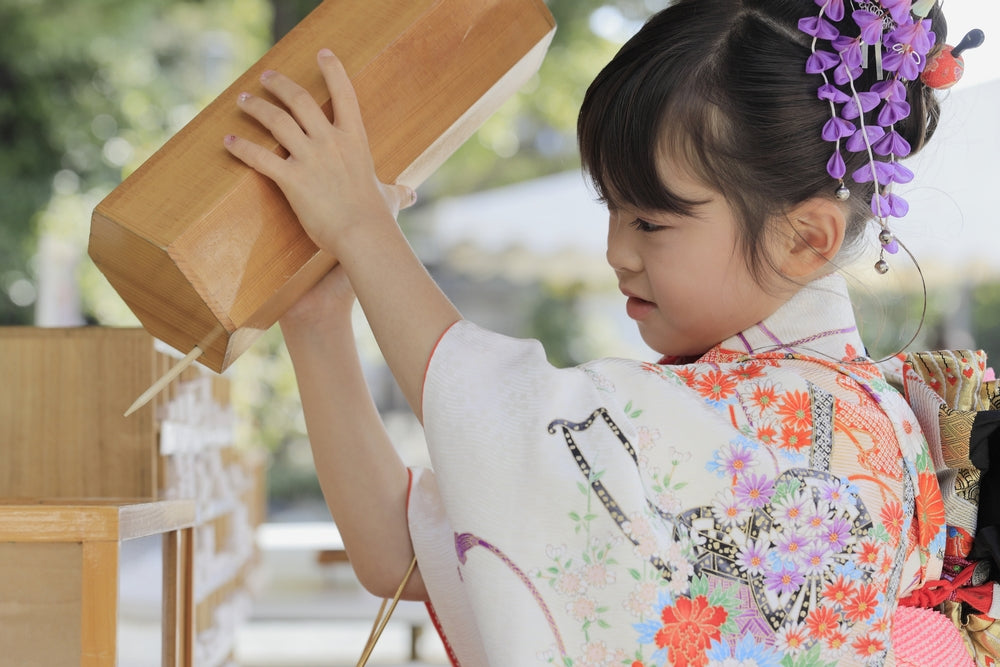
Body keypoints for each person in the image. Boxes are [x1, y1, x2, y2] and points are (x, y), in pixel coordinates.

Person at [223, 0, 973, 664]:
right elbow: (404, 552)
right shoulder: (767, 412)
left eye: (649, 219)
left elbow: (512, 425)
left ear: (805, 237)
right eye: (611, 208)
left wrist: (363, 228)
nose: (617, 250)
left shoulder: (810, 426)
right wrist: (319, 327)